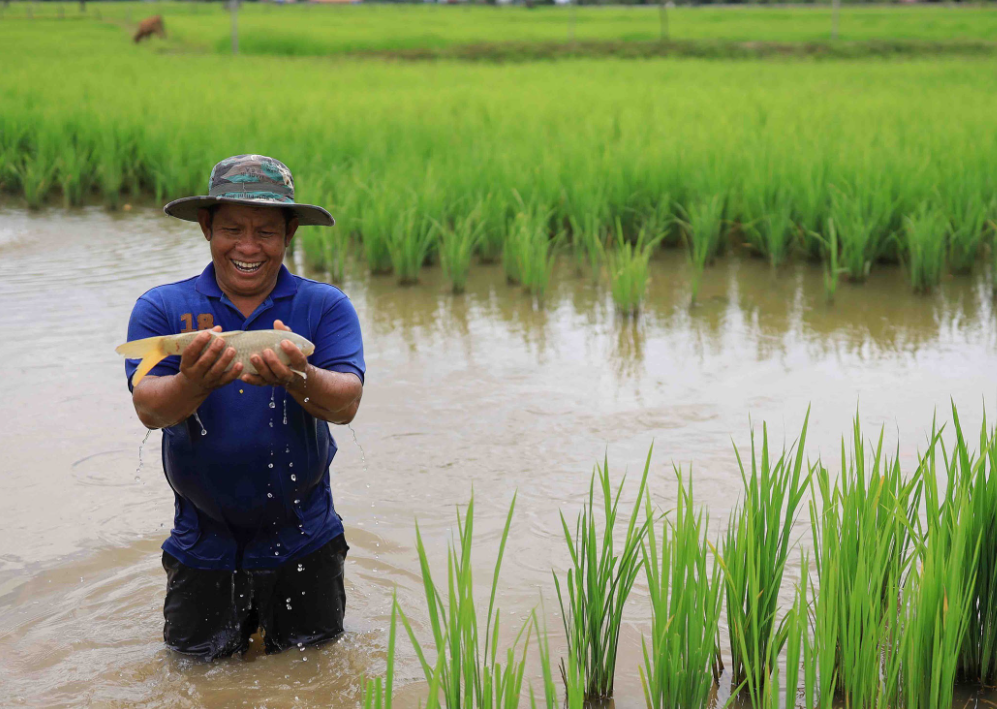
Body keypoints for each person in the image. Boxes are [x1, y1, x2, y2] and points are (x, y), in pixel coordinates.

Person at [122, 155, 365, 660]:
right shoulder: (162, 309)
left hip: (306, 541)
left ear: (290, 233)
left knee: (313, 672)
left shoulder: (325, 307)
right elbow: (149, 410)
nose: (248, 246)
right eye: (232, 228)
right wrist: (192, 382)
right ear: (207, 227)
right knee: (195, 678)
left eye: (265, 232)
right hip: (201, 546)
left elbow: (346, 403)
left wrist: (301, 376)